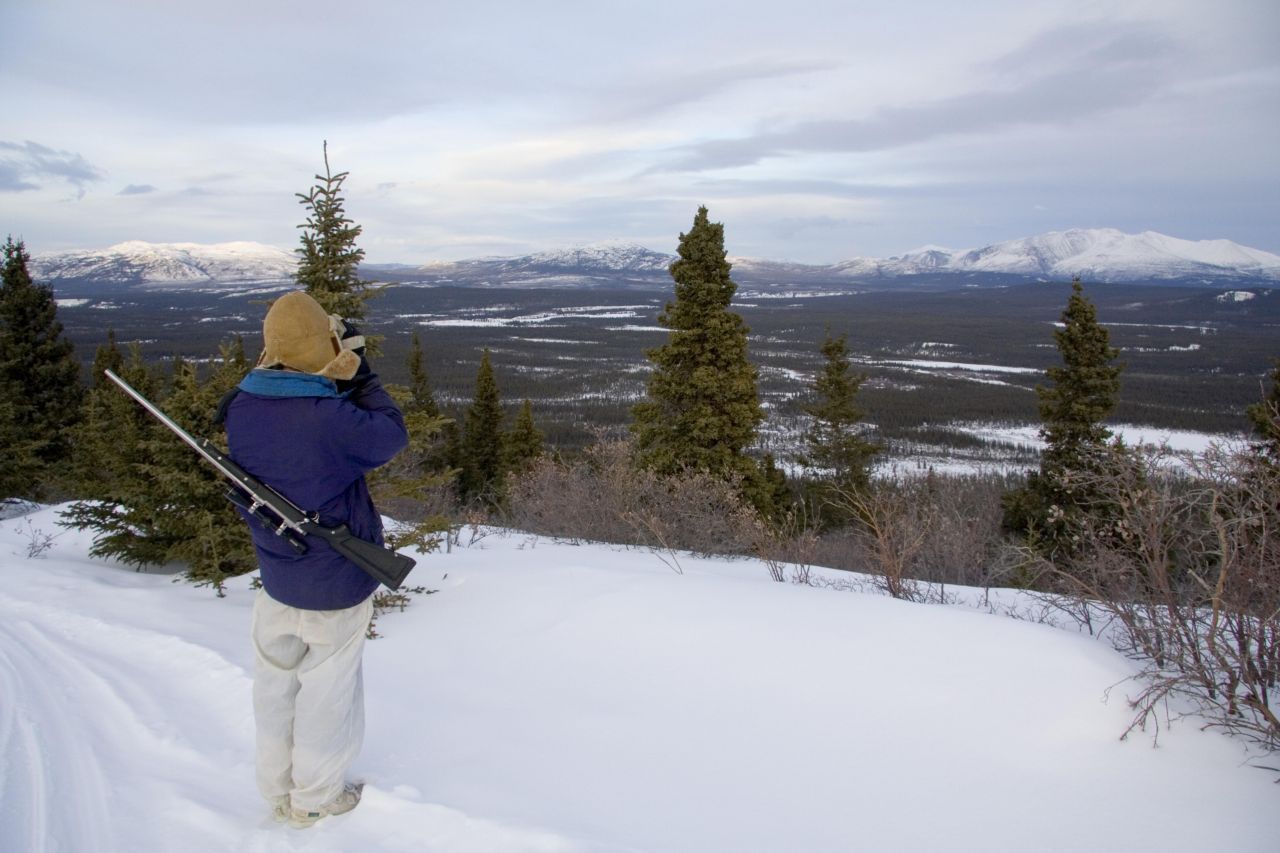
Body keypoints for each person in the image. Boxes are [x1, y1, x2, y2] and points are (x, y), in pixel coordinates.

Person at [221, 290, 408, 828]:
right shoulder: (328, 416)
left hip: (278, 571)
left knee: (276, 685)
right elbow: (391, 434)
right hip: (334, 578)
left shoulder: (242, 406)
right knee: (328, 690)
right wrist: (360, 374)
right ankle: (315, 797)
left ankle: (275, 788)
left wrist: (325, 369)